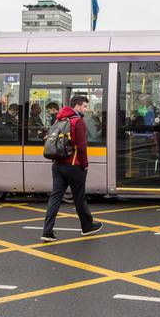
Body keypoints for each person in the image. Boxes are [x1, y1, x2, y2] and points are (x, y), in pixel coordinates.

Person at [41, 96, 102, 242]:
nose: (86, 110)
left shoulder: (59, 119)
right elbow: (81, 147)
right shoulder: (77, 122)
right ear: (77, 106)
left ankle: (47, 231)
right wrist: (85, 164)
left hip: (57, 165)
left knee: (55, 198)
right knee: (79, 197)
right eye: (85, 106)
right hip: (74, 166)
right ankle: (87, 226)